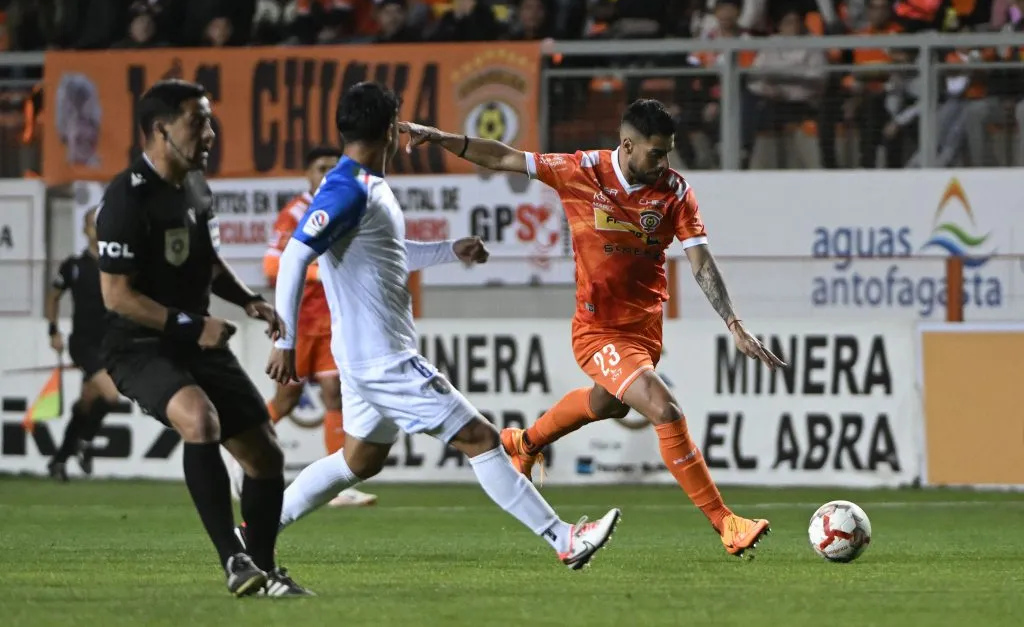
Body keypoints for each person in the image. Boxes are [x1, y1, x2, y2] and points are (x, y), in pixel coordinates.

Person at [401, 98, 786, 558]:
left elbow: (699, 259)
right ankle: (727, 524)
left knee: (607, 405)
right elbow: (504, 156)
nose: (665, 162)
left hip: (645, 331)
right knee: (665, 411)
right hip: (598, 331)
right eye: (657, 153)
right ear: (628, 145)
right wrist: (444, 139)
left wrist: (733, 322)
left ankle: (524, 442)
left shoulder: (675, 192)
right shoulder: (581, 170)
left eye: (669, 153)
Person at [262, 82, 621, 570]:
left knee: (359, 461)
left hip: (365, 357)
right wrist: (284, 340)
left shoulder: (363, 186)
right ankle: (564, 538)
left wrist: (450, 250)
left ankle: (257, 531)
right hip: (385, 359)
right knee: (482, 439)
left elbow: (387, 256)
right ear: (390, 130)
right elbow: (294, 257)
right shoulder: (349, 188)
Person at [95, 79, 311, 598]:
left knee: (266, 457)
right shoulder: (125, 199)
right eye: (198, 122)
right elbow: (117, 297)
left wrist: (248, 301)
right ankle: (233, 560)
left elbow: (208, 263)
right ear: (158, 130)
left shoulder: (195, 186)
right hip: (139, 346)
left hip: (197, 341)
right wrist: (194, 325)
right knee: (200, 419)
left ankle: (263, 571)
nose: (210, 133)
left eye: (210, 121)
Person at [257, 146, 377, 508]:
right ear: (307, 175)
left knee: (334, 392)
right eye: (319, 168)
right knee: (286, 399)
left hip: (333, 322)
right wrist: (324, 273)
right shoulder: (295, 211)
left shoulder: (348, 204)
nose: (326, 173)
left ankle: (338, 485)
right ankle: (235, 452)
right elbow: (272, 267)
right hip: (299, 323)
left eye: (332, 167)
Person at [45, 206, 123, 481]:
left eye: (101, 224)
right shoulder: (75, 266)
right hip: (84, 344)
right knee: (112, 397)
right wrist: (53, 330)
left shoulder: (115, 265)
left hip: (110, 344)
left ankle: (59, 460)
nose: (97, 230)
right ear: (85, 230)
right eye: (92, 225)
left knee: (86, 405)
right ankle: (86, 442)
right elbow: (53, 296)